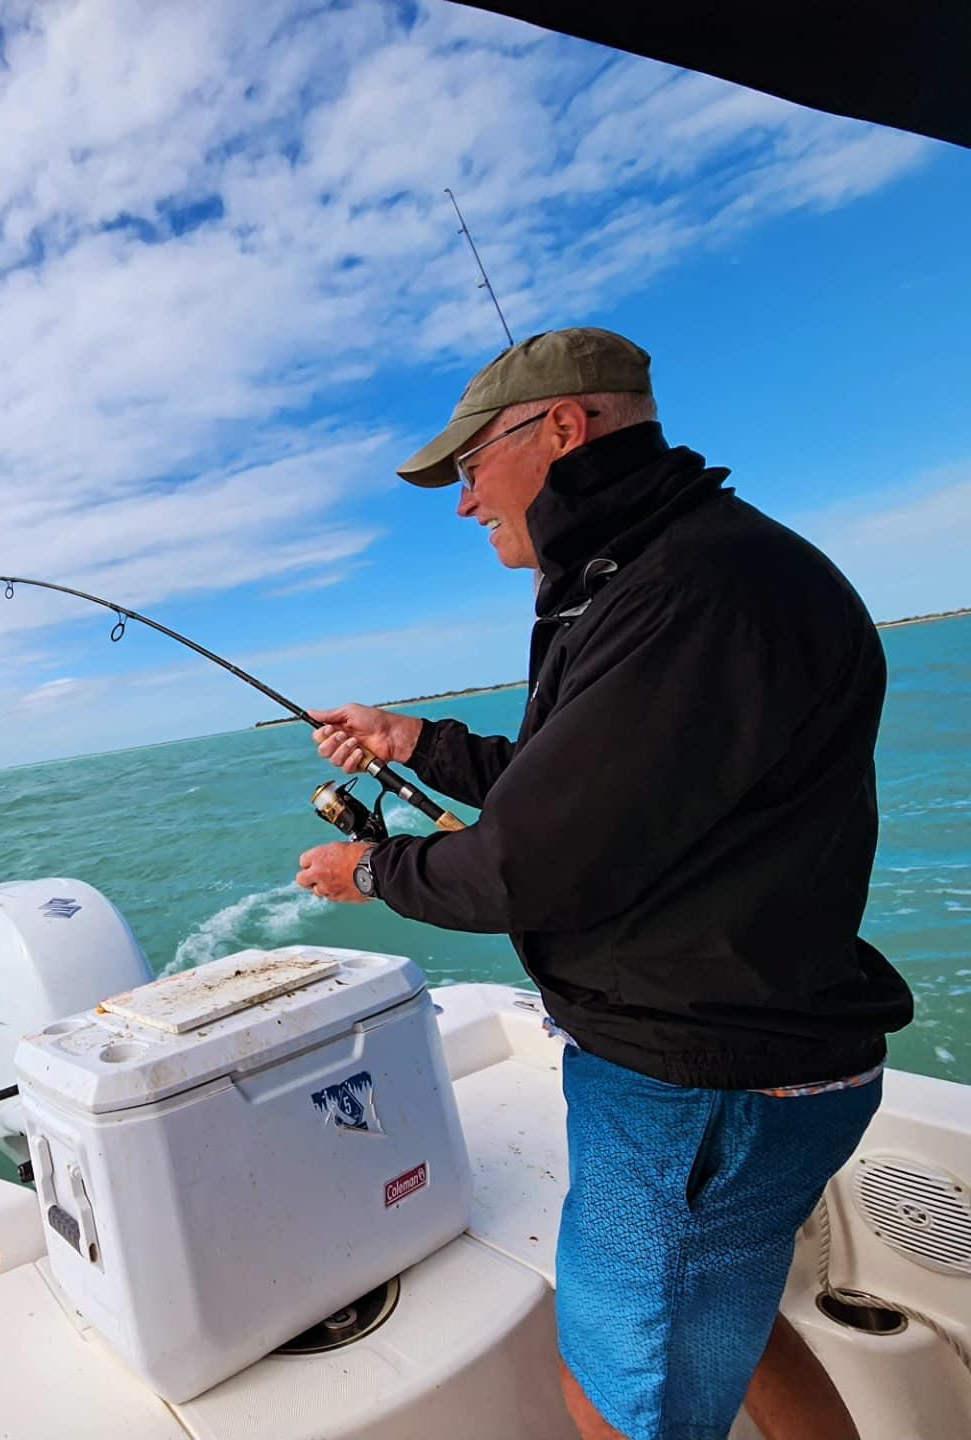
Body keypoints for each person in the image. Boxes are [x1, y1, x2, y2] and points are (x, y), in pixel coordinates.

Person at [294, 328, 914, 1440]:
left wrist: (372, 869)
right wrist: (415, 741)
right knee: (738, 1326)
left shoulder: (686, 591)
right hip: (753, 1066)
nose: (464, 499)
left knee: (622, 1399)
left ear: (565, 428)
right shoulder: (672, 569)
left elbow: (530, 863)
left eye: (472, 464)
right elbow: (588, 788)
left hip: (698, 1085)